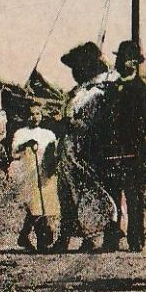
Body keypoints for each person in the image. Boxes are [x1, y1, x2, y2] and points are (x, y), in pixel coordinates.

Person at [54, 42, 119, 252]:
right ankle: (66, 236)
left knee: (85, 192)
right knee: (67, 192)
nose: (74, 72)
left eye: (78, 67)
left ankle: (89, 236)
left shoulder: (99, 92)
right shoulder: (79, 91)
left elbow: (92, 123)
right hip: (69, 146)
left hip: (85, 147)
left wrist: (70, 123)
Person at [109, 39, 146, 252]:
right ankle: (111, 238)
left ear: (135, 62)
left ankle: (136, 239)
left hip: (134, 152)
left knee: (134, 197)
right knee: (111, 196)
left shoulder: (144, 91)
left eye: (128, 58)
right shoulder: (110, 91)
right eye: (120, 58)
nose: (123, 62)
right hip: (112, 152)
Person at [9, 113, 58, 251]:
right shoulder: (21, 133)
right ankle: (41, 242)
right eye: (31, 114)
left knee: (45, 207)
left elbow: (54, 152)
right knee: (35, 207)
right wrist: (26, 144)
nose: (34, 117)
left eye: (37, 114)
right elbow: (14, 152)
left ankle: (24, 236)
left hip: (46, 174)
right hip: (29, 174)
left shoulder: (48, 134)